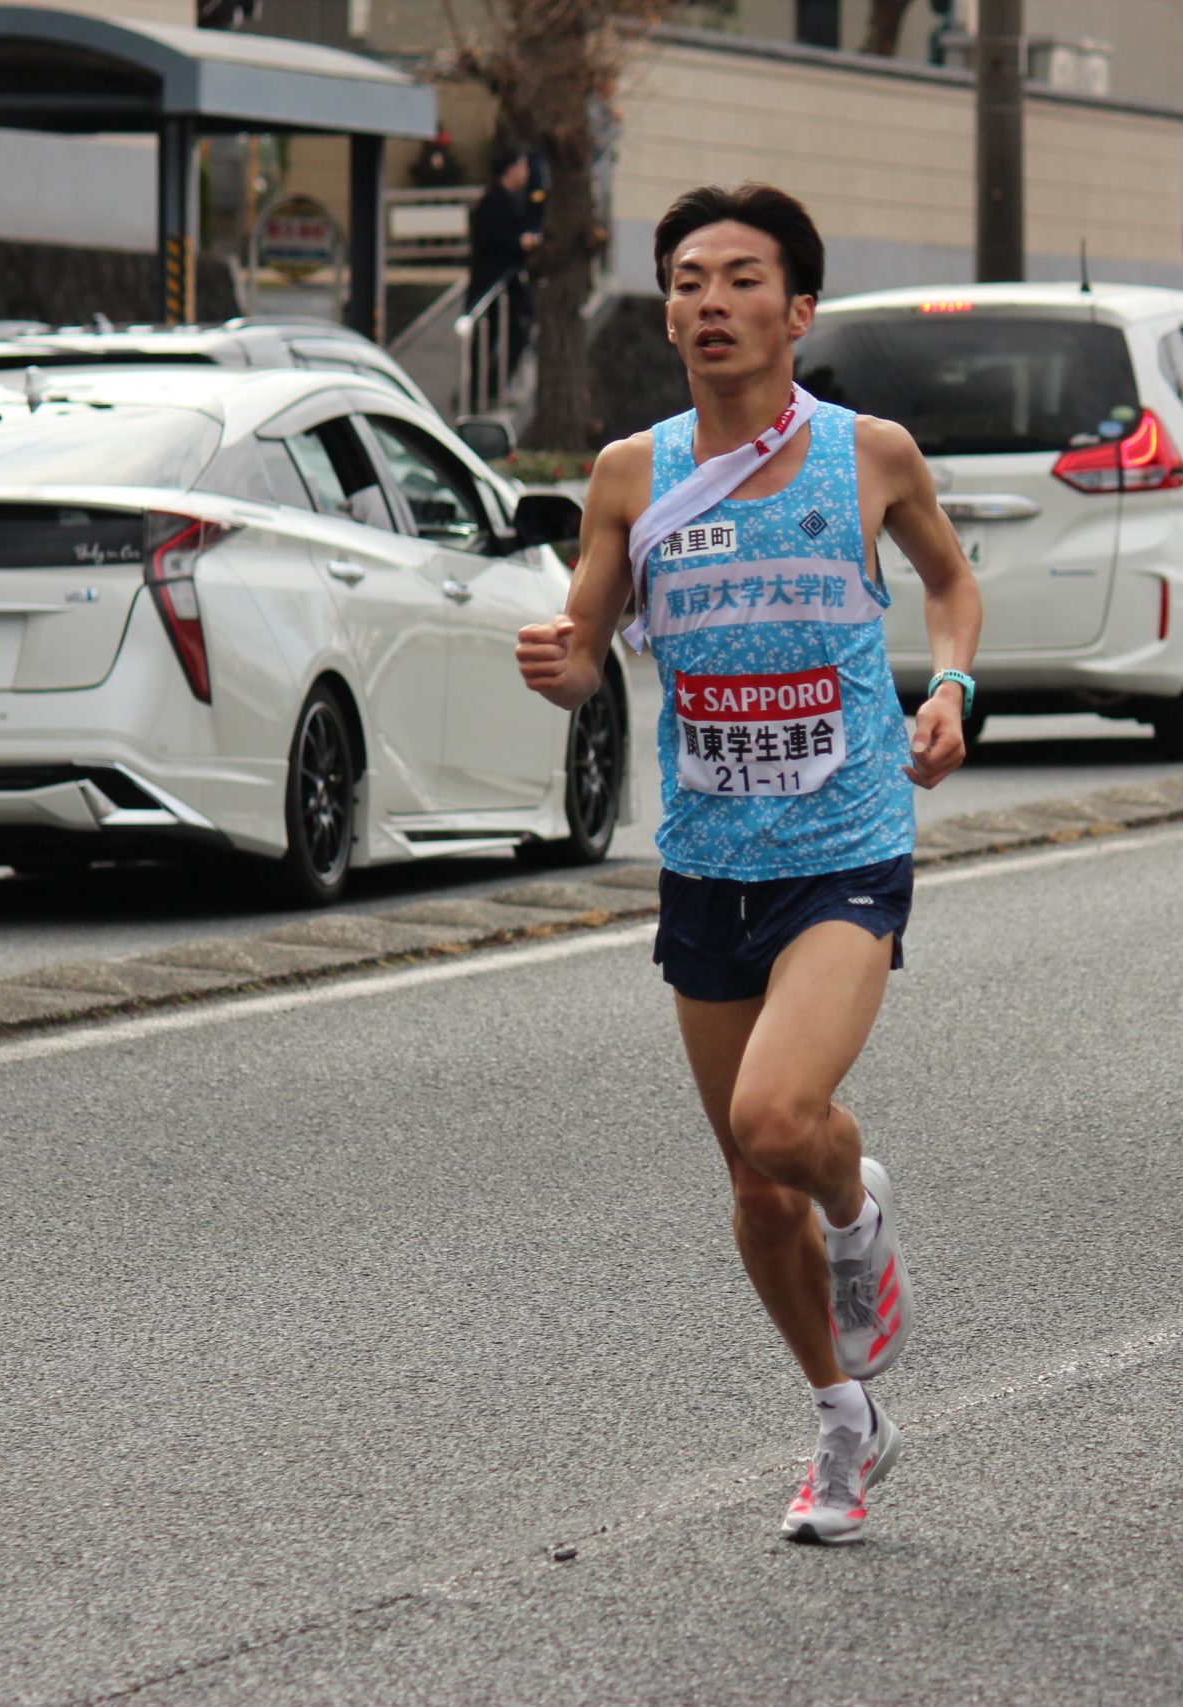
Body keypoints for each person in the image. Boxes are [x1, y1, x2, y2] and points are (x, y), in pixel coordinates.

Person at [514, 184, 982, 1545]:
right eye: (684, 281)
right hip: (709, 858)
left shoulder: (868, 455)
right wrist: (563, 664)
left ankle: (860, 1199)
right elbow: (587, 647)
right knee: (746, 1175)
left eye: (738, 279)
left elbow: (951, 582)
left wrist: (950, 688)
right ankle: (843, 1415)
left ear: (799, 309)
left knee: (786, 1121)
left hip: (844, 843)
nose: (706, 303)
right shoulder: (631, 474)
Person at [466, 149, 541, 384]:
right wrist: (519, 242)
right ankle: (482, 388)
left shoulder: (515, 199)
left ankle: (492, 386)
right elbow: (489, 236)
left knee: (517, 335)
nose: (526, 172)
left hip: (511, 282)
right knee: (486, 340)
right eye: (522, 166)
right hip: (492, 280)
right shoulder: (492, 200)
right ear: (510, 169)